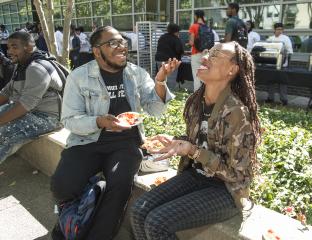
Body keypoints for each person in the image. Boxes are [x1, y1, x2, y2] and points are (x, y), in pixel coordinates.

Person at [50, 26, 179, 240]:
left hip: (126, 144)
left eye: (122, 42)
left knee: (119, 187)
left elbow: (156, 109)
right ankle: (71, 219)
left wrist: (160, 81)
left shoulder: (136, 73)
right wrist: (99, 121)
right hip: (87, 140)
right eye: (113, 43)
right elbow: (69, 120)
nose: (121, 47)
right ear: (96, 51)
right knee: (62, 186)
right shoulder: (79, 77)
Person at [130, 41, 261, 240]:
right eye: (208, 51)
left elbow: (237, 174)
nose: (205, 56)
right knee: (139, 210)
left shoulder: (237, 113)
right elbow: (197, 142)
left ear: (232, 70)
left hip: (225, 190)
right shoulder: (196, 102)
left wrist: (194, 151)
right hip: (195, 176)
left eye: (215, 55)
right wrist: (175, 142)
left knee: (157, 223)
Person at [0, 31, 62, 164]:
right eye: (8, 47)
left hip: (48, 117)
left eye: (14, 47)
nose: (9, 51)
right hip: (30, 110)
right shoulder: (21, 65)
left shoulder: (37, 68)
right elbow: (6, 92)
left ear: (28, 47)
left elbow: (25, 105)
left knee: (4, 133)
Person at [265, 23, 293, 105]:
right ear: (274, 30)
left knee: (282, 82)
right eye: (278, 29)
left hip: (282, 64)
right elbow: (266, 49)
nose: (279, 31)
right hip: (271, 63)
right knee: (271, 81)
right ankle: (270, 98)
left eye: (281, 29)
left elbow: (290, 51)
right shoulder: (270, 38)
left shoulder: (286, 38)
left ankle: (284, 99)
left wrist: (286, 59)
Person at [155, 23, 184, 89]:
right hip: (169, 61)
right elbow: (179, 50)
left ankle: (161, 93)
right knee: (171, 79)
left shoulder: (162, 37)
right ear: (176, 31)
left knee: (161, 78)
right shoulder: (176, 39)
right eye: (178, 32)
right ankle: (169, 95)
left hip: (159, 59)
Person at [188, 10, 208, 91]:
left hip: (196, 54)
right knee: (205, 75)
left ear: (196, 16)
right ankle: (207, 93)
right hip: (205, 54)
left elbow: (191, 42)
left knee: (196, 76)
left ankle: (197, 97)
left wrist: (188, 43)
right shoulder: (207, 27)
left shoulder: (193, 26)